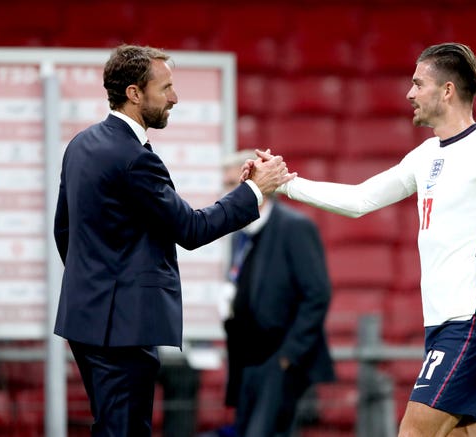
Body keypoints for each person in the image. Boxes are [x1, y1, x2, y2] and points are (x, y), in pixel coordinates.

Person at [252, 43, 476, 437]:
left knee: (413, 431)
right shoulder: (425, 156)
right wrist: (285, 183)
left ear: (447, 90)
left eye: (418, 84)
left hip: (472, 322)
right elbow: (360, 199)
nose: (409, 93)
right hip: (441, 323)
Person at [52, 44, 293, 437]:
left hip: (87, 319)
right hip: (125, 326)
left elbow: (65, 232)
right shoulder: (134, 157)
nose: (174, 98)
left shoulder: (81, 144)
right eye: (165, 88)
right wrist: (252, 190)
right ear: (134, 93)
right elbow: (192, 230)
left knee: (112, 427)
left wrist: (96, 285)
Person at [220, 150, 336, 437]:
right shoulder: (240, 234)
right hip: (246, 359)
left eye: (233, 183)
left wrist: (288, 356)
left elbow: (317, 294)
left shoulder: (295, 227)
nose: (225, 192)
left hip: (279, 361)